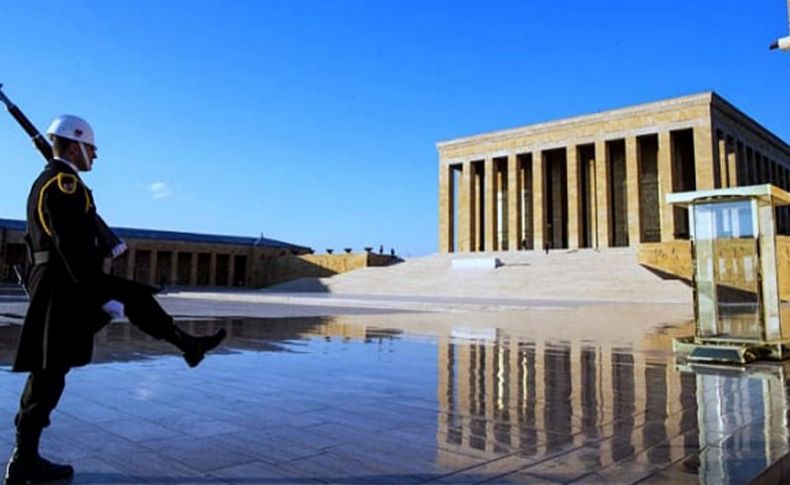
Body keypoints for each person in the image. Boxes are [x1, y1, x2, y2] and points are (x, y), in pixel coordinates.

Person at [4, 115, 226, 484]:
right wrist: (96, 295)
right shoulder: (64, 184)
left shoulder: (52, 182)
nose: (95, 154)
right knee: (50, 372)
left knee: (53, 370)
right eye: (91, 147)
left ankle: (188, 345)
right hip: (65, 285)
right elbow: (72, 247)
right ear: (74, 145)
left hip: (58, 282)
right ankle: (24, 459)